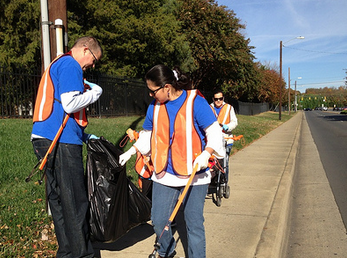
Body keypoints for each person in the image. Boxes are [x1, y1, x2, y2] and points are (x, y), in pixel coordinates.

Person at [119, 64, 225, 258]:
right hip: (165, 173)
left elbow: (215, 133)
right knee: (159, 221)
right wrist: (132, 151)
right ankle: (167, 251)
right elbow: (148, 135)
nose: (150, 95)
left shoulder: (196, 102)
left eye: (153, 91)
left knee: (193, 224)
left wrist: (206, 152)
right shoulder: (155, 107)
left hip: (194, 175)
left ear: (167, 87)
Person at [31, 36, 103, 258]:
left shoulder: (58, 63)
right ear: (85, 50)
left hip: (44, 138)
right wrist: (95, 93)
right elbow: (70, 103)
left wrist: (87, 136)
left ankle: (67, 252)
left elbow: (62, 110)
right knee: (75, 202)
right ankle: (83, 255)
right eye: (94, 59)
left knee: (60, 201)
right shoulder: (71, 64)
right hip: (60, 142)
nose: (92, 65)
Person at [210, 89, 238, 182]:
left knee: (224, 161)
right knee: (212, 161)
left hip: (226, 139)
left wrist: (228, 127)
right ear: (213, 99)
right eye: (216, 99)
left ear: (223, 98)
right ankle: (213, 181)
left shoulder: (229, 108)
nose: (218, 101)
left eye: (220, 99)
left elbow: (234, 122)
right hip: (212, 140)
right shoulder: (209, 108)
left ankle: (223, 181)